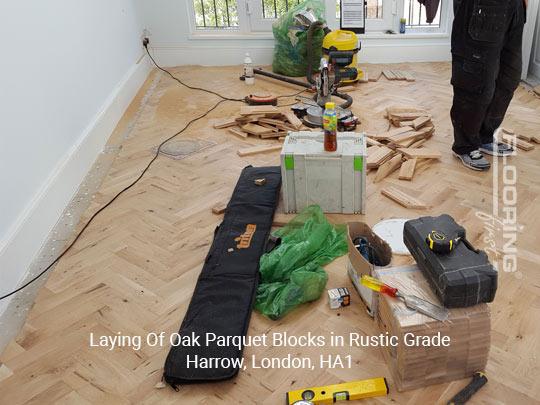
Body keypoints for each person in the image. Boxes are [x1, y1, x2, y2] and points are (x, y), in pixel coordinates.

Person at [450, 0, 527, 170]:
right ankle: (465, 145)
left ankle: (484, 136)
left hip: (515, 8)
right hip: (481, 6)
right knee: (476, 81)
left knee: (508, 78)